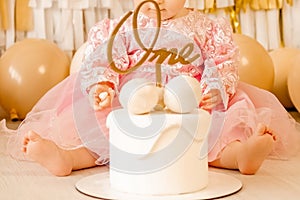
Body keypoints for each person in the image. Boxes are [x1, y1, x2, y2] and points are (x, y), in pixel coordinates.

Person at [3, 0, 299, 176]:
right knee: (97, 127)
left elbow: (221, 59)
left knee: (218, 128)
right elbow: (105, 58)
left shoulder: (206, 27)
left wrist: (216, 85)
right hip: (131, 97)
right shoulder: (124, 26)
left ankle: (240, 156)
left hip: (190, 97)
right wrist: (103, 85)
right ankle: (67, 157)